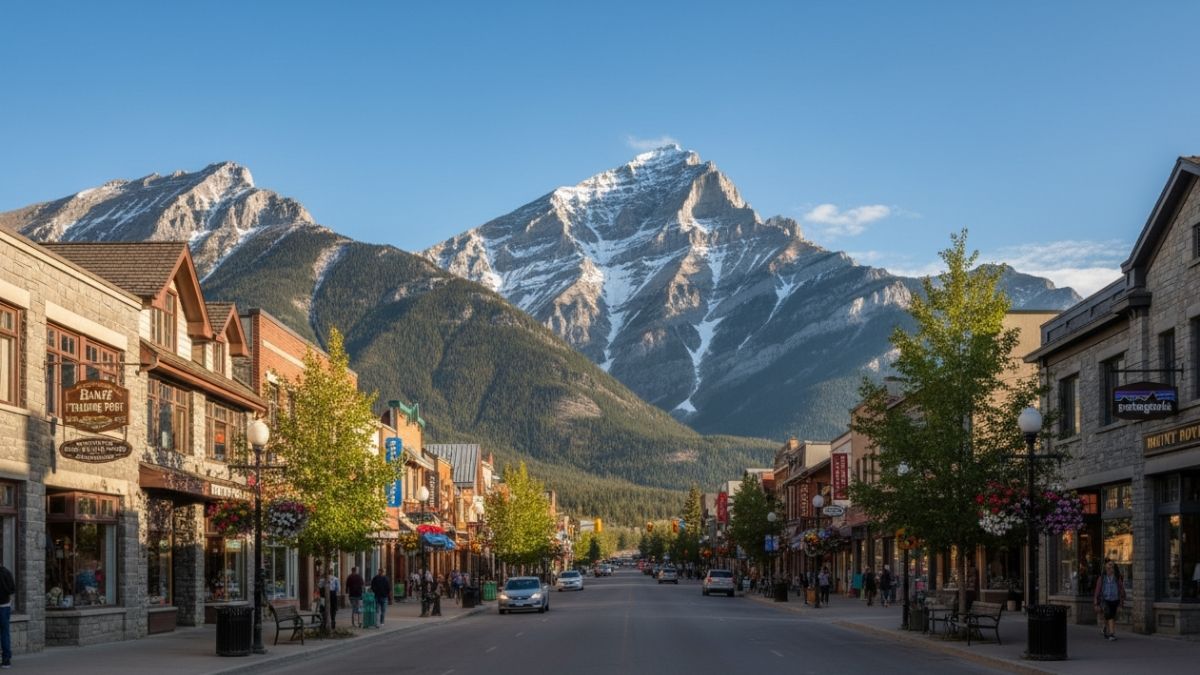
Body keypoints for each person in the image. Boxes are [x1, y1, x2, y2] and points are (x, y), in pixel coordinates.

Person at [1093, 560, 1125, 641]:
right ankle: (1111, 634)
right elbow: (1097, 591)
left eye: (1112, 566)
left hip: (1115, 600)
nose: (1110, 568)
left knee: (1112, 617)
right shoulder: (1102, 578)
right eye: (1109, 566)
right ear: (1105, 568)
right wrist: (1096, 603)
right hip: (1105, 600)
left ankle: (1105, 628)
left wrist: (1121, 603)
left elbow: (1121, 590)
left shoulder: (1117, 578)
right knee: (1110, 615)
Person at [0, 563, 14, 669]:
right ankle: (6, 660)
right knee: (5, 633)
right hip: (5, 606)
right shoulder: (7, 572)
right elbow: (12, 589)